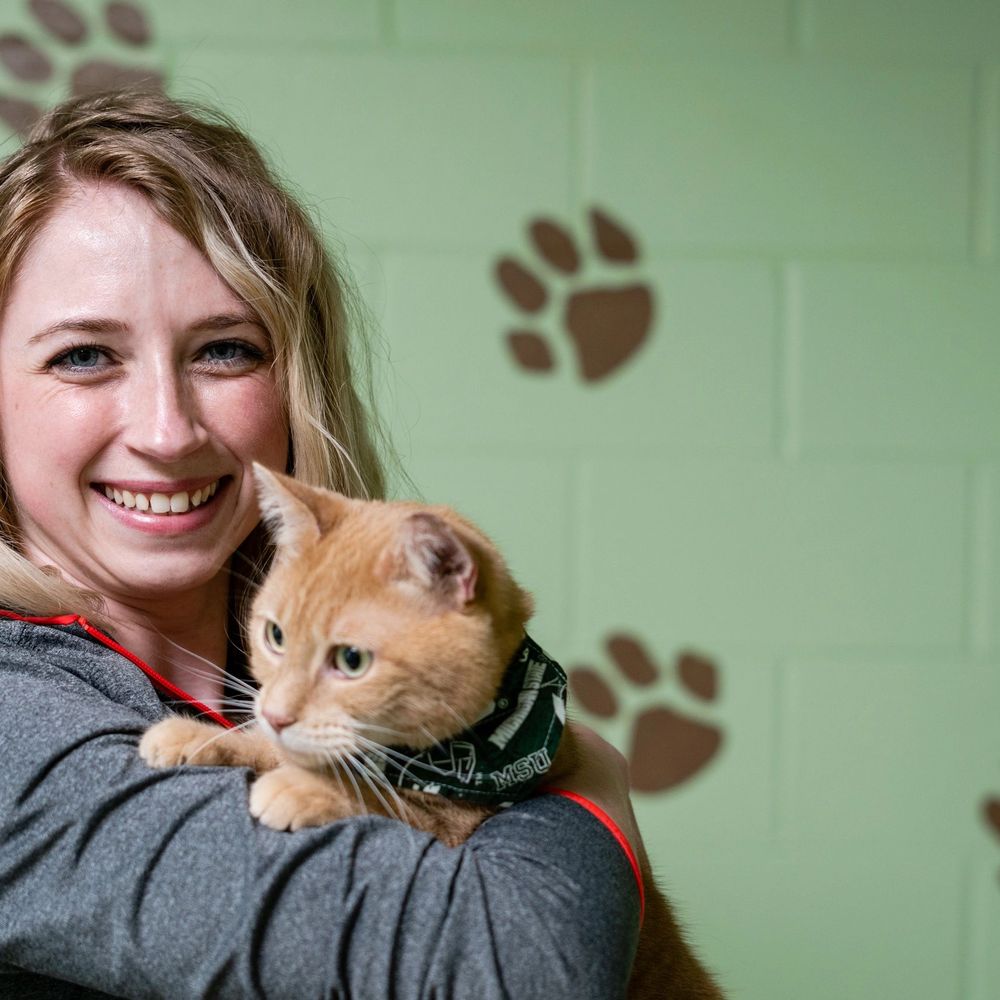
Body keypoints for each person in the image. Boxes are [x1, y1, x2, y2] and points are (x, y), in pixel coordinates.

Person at [0, 90, 646, 998]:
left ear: (297, 380)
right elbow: (519, 974)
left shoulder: (318, 644)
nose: (167, 431)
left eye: (225, 349)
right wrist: (585, 790)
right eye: (83, 356)